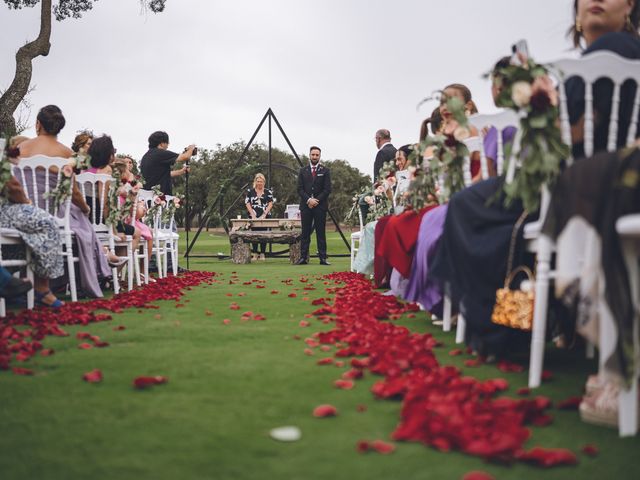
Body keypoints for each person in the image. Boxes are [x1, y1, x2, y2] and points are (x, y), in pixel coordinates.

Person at [430, 0, 640, 361]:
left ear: (631, 6)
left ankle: (506, 330)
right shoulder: (606, 58)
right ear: (576, 12)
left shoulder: (609, 53)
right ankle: (525, 322)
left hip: (582, 185)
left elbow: (571, 134)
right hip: (601, 183)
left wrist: (544, 101)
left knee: (469, 205)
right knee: (488, 211)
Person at [19, 105, 112, 299]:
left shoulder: (20, 148)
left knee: (79, 219)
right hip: (55, 214)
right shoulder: (65, 154)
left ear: (38, 124)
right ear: (59, 127)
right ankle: (99, 264)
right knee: (82, 219)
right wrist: (85, 208)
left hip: (23, 211)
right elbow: (74, 193)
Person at [296, 146, 332, 265]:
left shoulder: (325, 171)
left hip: (320, 206)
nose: (315, 157)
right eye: (313, 155)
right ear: (309, 155)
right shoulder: (303, 170)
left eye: (317, 155)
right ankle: (303, 258)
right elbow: (299, 189)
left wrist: (316, 200)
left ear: (319, 156)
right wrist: (309, 200)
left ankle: (323, 258)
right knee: (305, 233)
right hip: (306, 206)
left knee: (321, 233)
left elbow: (327, 189)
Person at [140, 131, 194, 195]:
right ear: (162, 143)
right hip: (161, 197)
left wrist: (181, 171)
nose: (168, 145)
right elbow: (185, 157)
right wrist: (191, 148)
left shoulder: (145, 156)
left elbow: (162, 175)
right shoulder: (160, 153)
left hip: (147, 195)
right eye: (167, 142)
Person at [244, 173, 274, 261]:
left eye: (261, 181)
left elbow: (270, 203)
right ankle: (255, 253)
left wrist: (264, 214)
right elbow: (247, 203)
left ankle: (262, 253)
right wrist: (252, 215)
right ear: (255, 182)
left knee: (263, 235)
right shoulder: (250, 191)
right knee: (254, 235)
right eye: (258, 181)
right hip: (254, 216)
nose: (259, 183)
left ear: (264, 182)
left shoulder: (268, 192)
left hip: (265, 216)